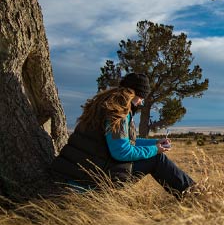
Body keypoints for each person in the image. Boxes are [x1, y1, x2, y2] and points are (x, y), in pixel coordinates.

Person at [52, 73, 195, 197]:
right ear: (135, 94)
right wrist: (155, 150)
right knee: (157, 159)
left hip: (78, 173)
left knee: (155, 156)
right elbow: (121, 152)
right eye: (141, 97)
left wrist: (154, 142)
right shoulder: (118, 113)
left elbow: (123, 141)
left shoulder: (104, 106)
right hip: (93, 180)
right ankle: (193, 195)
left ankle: (192, 192)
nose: (141, 102)